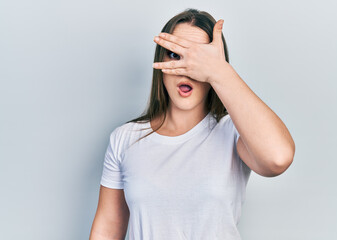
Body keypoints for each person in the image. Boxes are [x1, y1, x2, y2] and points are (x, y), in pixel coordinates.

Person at [89, 8, 295, 240]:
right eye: (175, 55)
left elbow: (278, 158)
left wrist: (220, 72)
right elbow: (107, 227)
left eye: (200, 59)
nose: (187, 69)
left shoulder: (233, 132)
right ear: (161, 63)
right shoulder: (125, 138)